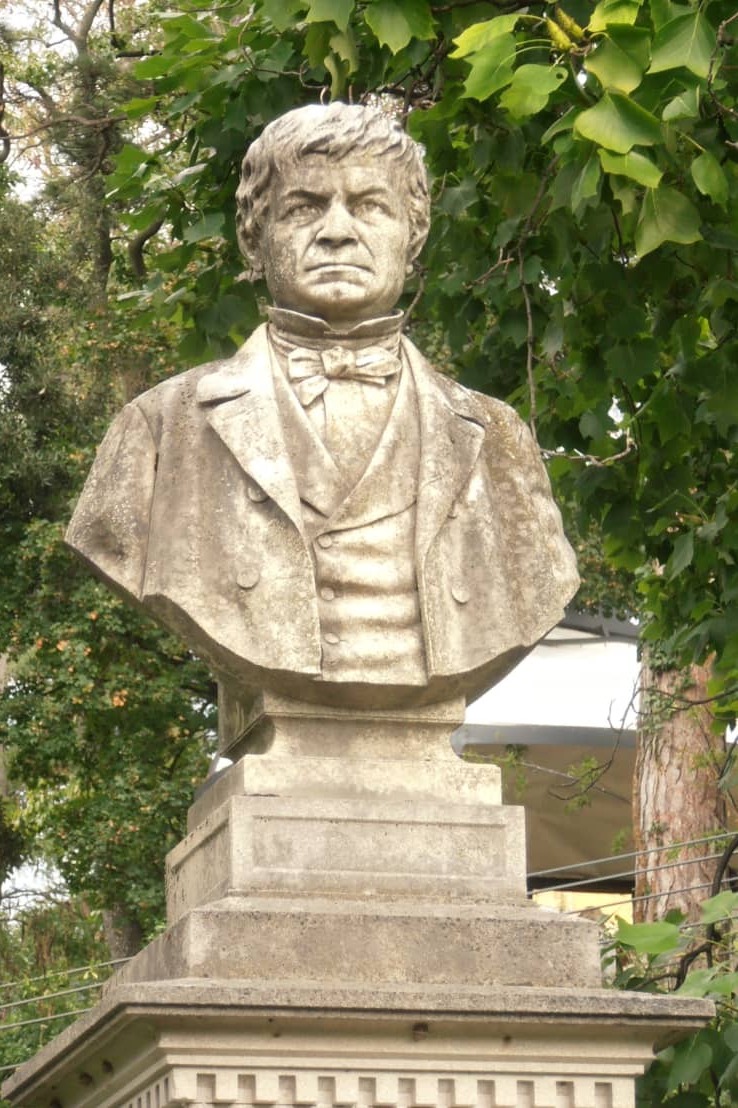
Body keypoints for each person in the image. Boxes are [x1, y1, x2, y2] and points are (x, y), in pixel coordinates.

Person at [66, 103, 579, 713]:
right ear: (253, 239)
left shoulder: (497, 438)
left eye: (370, 206)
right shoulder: (159, 429)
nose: (338, 231)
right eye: (304, 208)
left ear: (414, 236)